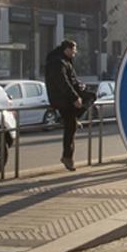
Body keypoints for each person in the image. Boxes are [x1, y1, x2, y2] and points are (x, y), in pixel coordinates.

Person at [45, 40, 88, 171]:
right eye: (74, 50)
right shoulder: (57, 62)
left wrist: (79, 86)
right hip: (62, 99)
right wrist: (75, 97)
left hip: (66, 97)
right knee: (71, 125)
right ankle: (67, 157)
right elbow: (62, 82)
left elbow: (71, 79)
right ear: (67, 49)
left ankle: (76, 117)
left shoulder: (65, 61)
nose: (75, 53)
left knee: (90, 96)